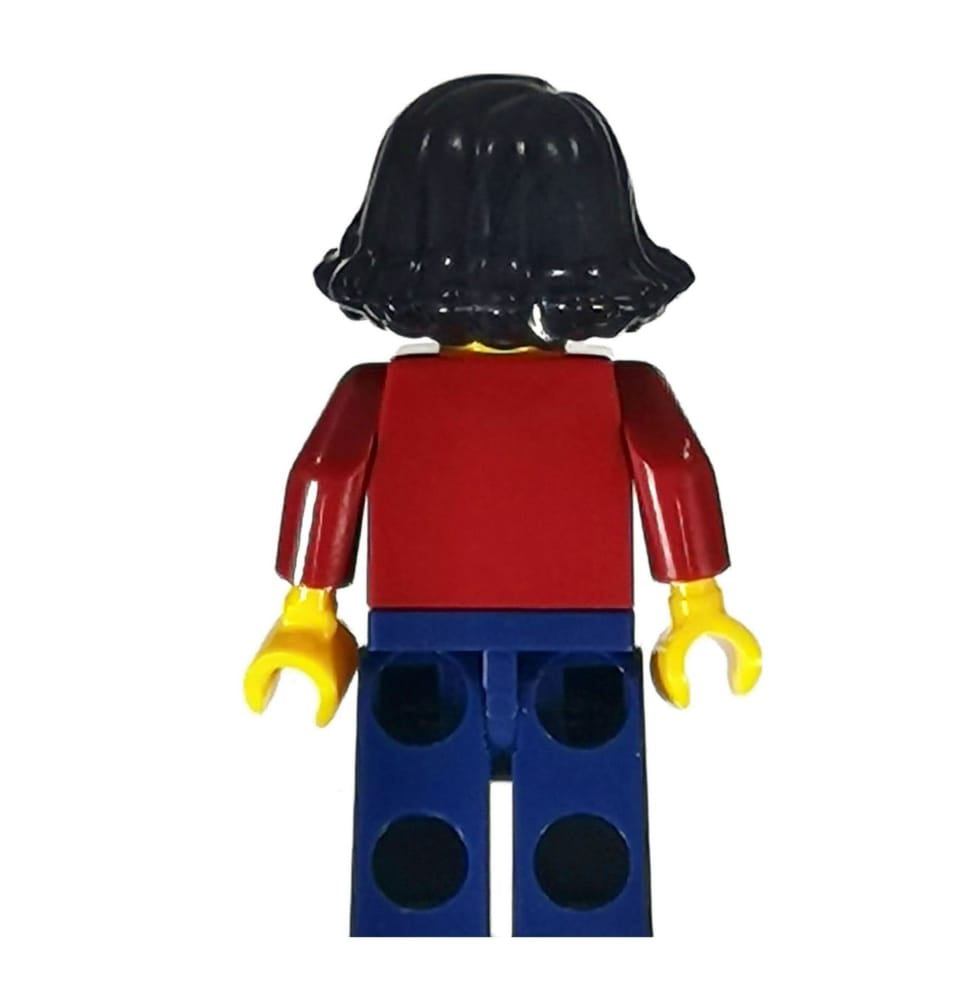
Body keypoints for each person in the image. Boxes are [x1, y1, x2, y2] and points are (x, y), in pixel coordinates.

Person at [244, 74, 761, 936]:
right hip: (440, 642)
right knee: (427, 848)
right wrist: (306, 618)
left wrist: (697, 608)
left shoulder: (615, 391)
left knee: (575, 847)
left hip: (554, 641)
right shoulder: (384, 393)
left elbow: (674, 476)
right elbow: (326, 481)